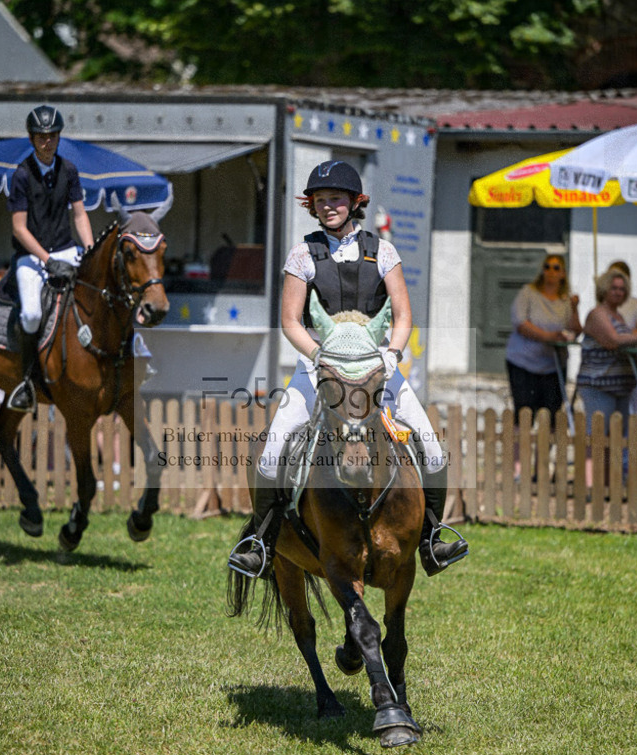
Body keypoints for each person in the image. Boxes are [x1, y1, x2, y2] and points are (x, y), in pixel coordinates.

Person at [229, 159, 468, 579]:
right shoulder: (303, 253)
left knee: (429, 443)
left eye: (336, 199)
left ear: (355, 202)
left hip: (377, 369)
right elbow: (290, 320)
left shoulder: (384, 251)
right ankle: (262, 544)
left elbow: (404, 316)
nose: (328, 207)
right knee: (272, 451)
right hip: (319, 370)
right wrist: (318, 357)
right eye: (320, 201)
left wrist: (392, 354)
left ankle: (432, 538)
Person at [6, 105, 94, 412]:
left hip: (67, 249)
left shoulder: (68, 170)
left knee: (97, 293)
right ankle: (26, 381)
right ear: (32, 138)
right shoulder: (21, 175)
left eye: (53, 135)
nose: (48, 142)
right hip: (31, 256)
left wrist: (90, 247)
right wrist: (46, 258)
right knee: (31, 314)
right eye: (42, 136)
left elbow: (80, 214)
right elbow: (19, 228)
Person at [505, 253, 582, 431]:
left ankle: (543, 458)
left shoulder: (565, 300)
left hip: (553, 365)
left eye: (556, 268)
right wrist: (548, 337)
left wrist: (575, 308)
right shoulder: (528, 293)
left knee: (552, 415)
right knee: (524, 413)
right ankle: (519, 458)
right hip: (523, 362)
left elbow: (575, 331)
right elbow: (521, 323)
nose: (551, 271)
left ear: (563, 273)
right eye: (547, 267)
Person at [577, 267, 637, 438]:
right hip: (599, 386)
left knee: (616, 439)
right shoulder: (598, 314)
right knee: (596, 437)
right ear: (604, 289)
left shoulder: (618, 316)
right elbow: (613, 340)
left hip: (621, 387)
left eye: (622, 289)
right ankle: (589, 466)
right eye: (614, 288)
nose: (618, 292)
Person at [607, 260, 637, 415]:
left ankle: (633, 423)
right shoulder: (602, 307)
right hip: (610, 359)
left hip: (634, 358)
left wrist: (619, 336)